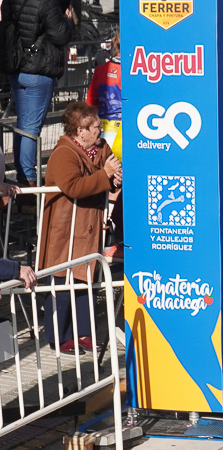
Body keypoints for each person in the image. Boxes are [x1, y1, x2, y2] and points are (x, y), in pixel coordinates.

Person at [42, 102, 121, 352]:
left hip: (89, 226)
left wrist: (116, 179)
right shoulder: (63, 154)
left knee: (86, 280)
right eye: (95, 127)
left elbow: (112, 173)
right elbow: (73, 186)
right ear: (80, 130)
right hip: (66, 229)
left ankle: (84, 332)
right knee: (63, 282)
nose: (100, 130)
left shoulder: (100, 147)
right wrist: (106, 175)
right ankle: (60, 336)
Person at [3, 0, 74, 185]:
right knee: (31, 128)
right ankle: (29, 182)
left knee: (23, 124)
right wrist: (67, 19)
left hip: (17, 67)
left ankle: (23, 178)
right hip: (39, 70)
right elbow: (61, 36)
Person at [86, 31, 122, 161]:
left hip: (101, 129)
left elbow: (90, 102)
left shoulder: (100, 70)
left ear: (114, 43)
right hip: (124, 132)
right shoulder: (133, 72)